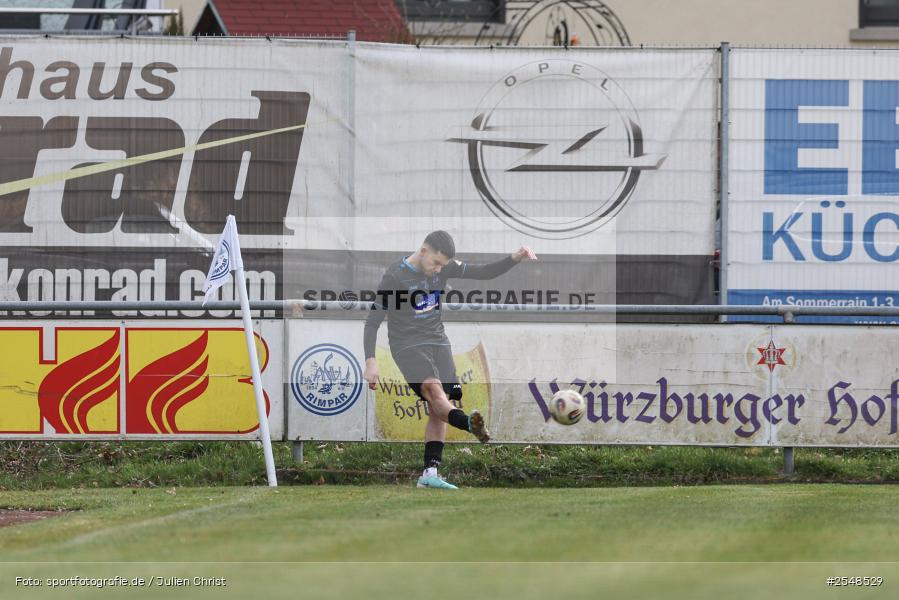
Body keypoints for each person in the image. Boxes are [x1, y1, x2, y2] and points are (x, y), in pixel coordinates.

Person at [363, 230, 536, 489]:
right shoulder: (395, 276)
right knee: (435, 393)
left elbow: (484, 272)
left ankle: (429, 473)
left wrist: (515, 257)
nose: (438, 270)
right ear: (423, 251)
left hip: (439, 343)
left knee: (440, 406)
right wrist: (371, 361)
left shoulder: (443, 268)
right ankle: (468, 423)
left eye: (443, 265)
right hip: (407, 346)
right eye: (435, 263)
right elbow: (373, 320)